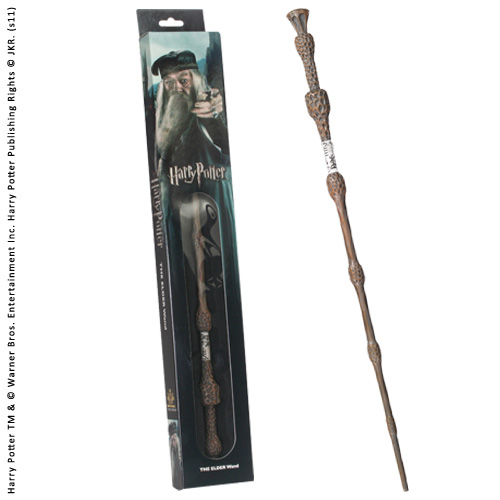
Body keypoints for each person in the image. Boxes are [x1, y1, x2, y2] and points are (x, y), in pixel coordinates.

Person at [150, 50, 229, 176]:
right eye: (169, 82)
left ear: (195, 81)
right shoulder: (157, 120)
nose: (177, 88)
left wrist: (214, 117)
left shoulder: (208, 110)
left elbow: (224, 146)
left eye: (184, 81)